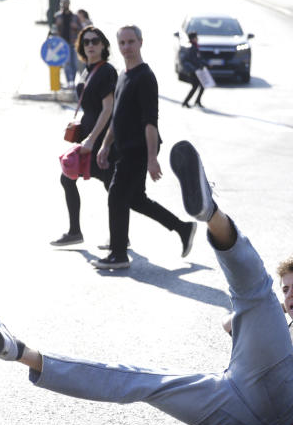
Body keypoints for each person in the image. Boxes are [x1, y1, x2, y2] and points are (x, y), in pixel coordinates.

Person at [0, 141, 293, 425]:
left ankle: (209, 211)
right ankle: (18, 352)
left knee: (254, 292)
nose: (292, 295)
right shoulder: (284, 330)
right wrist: (245, 332)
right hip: (241, 416)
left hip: (288, 403)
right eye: (288, 290)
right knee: (143, 380)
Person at [92, 25, 196, 270]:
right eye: (123, 43)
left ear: (140, 42)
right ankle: (183, 228)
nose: (127, 47)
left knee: (116, 197)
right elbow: (116, 119)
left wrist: (152, 158)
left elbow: (151, 121)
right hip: (123, 148)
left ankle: (118, 255)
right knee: (136, 199)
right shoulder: (122, 76)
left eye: (131, 42)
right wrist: (105, 146)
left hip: (138, 150)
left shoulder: (145, 77)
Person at [50, 26, 118, 247]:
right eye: (86, 42)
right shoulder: (88, 70)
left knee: (113, 187)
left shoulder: (106, 70)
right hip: (89, 136)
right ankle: (76, 232)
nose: (90, 45)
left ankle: (118, 236)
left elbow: (108, 108)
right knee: (72, 178)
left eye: (95, 41)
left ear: (103, 45)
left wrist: (92, 141)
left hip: (101, 139)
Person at [54, 0, 82, 88]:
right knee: (67, 63)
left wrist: (76, 27)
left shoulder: (74, 17)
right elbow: (53, 29)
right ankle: (69, 81)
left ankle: (73, 81)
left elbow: (81, 30)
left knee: (74, 63)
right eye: (63, 3)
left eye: (66, 3)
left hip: (73, 43)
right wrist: (57, 25)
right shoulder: (58, 16)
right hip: (62, 44)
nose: (65, 5)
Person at [180, 32, 206, 109]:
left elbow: (198, 59)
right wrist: (201, 65)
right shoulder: (192, 47)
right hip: (194, 71)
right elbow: (194, 60)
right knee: (196, 86)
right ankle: (186, 102)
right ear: (193, 39)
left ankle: (195, 101)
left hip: (195, 70)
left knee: (200, 86)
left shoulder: (194, 46)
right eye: (196, 37)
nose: (197, 39)